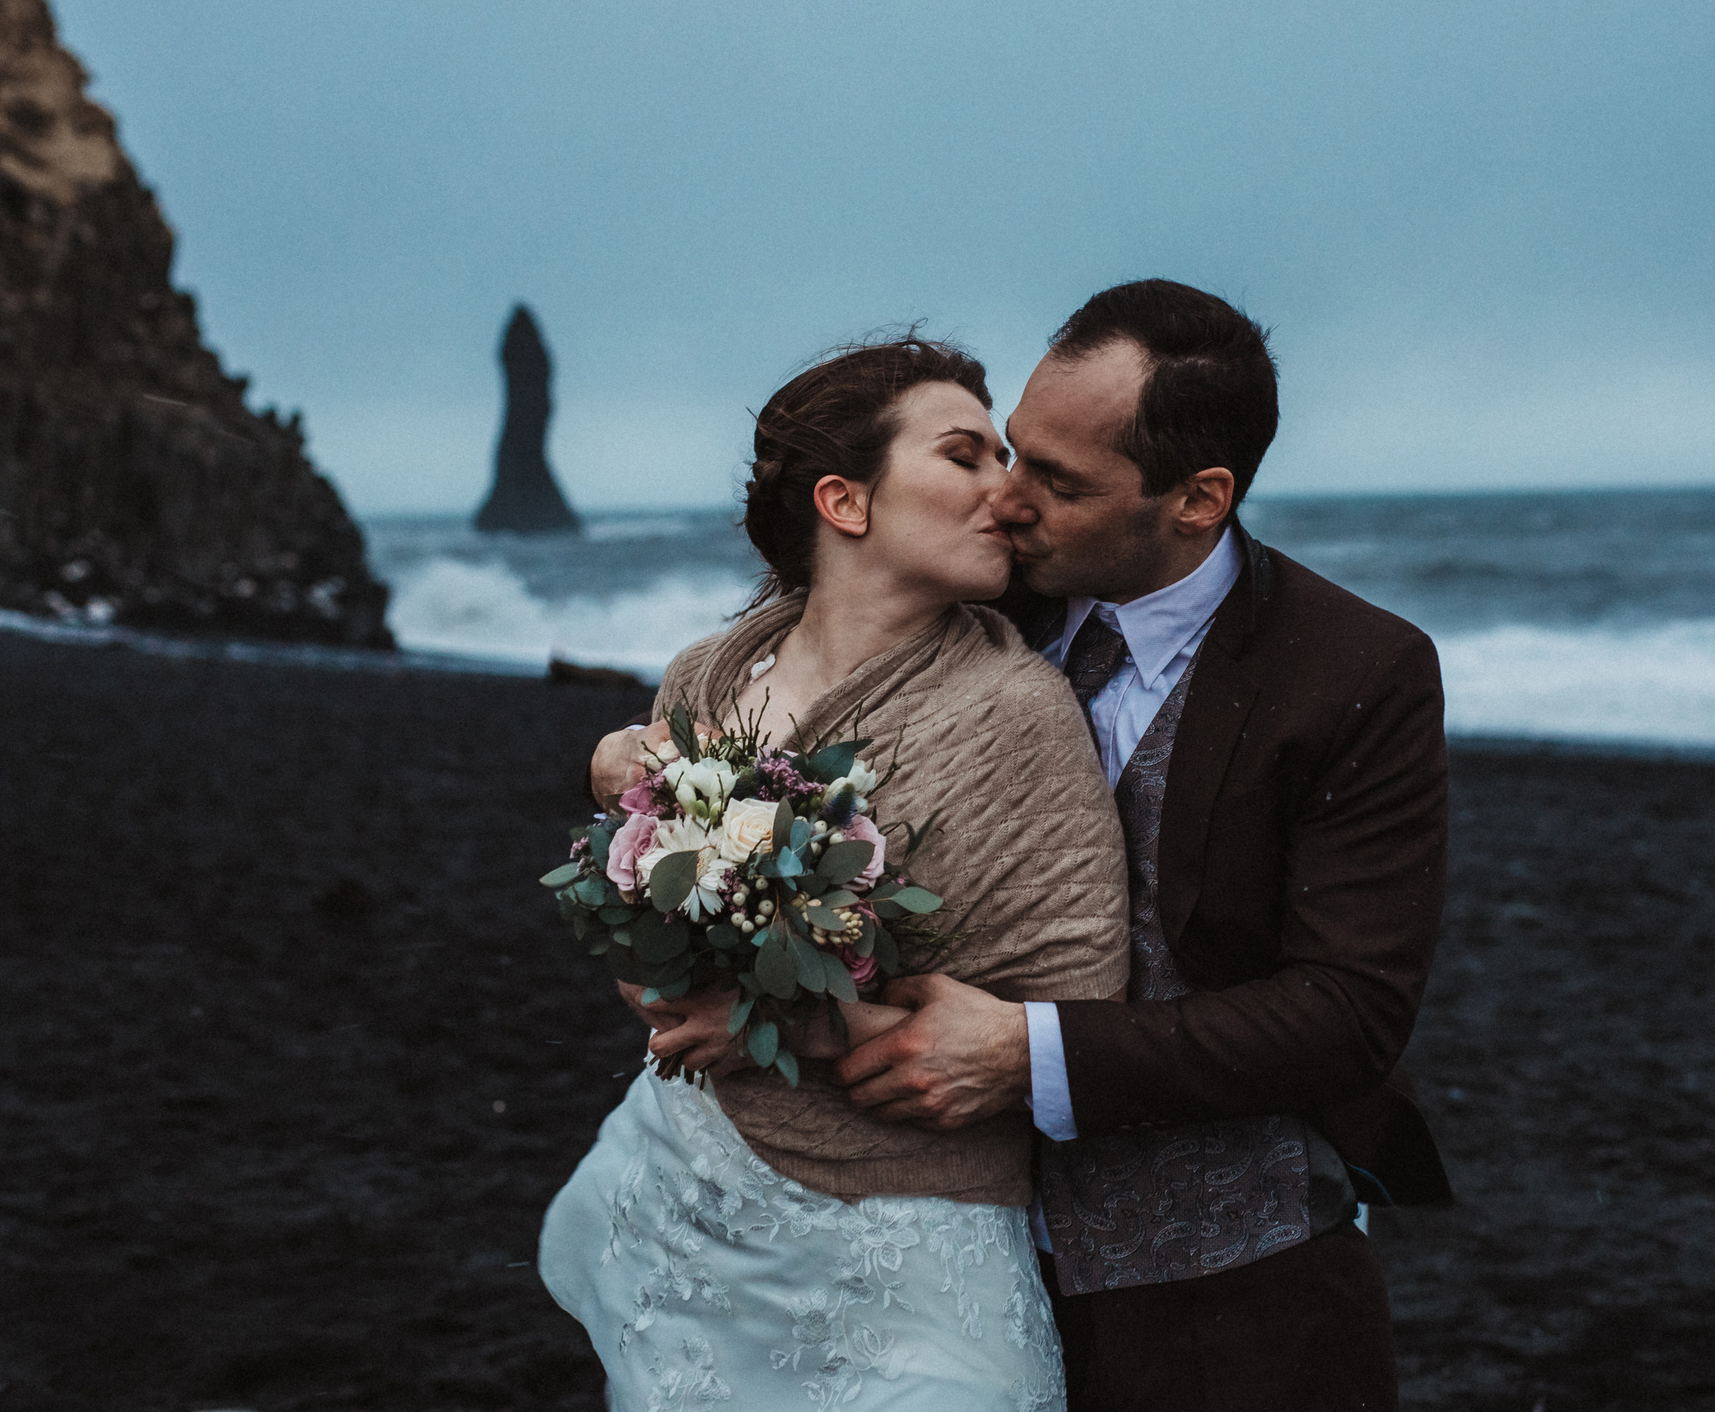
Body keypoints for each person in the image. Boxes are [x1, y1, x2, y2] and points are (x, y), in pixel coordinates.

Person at [608, 282, 1450, 1412]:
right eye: (1014, 453)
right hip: (926, 1239)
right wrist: (629, 774)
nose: (1007, 499)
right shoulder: (965, 605)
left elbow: (1349, 1012)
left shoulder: (1351, 673)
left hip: (1219, 1279)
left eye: (1057, 482)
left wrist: (1033, 1055)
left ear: (1199, 500)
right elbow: (776, 705)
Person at [539, 336, 1130, 1411]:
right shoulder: (708, 672)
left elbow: (1071, 1009)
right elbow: (644, 925)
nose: (1008, 490)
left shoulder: (1014, 712)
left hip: (897, 1229)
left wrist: (784, 1030)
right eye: (966, 455)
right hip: (693, 1177)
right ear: (844, 502)